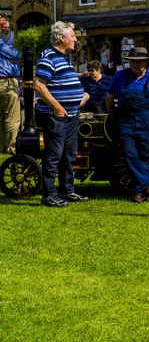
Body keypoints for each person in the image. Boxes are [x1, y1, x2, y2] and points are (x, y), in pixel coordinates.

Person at [106, 47, 149, 203]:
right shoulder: (120, 77)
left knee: (147, 156)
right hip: (126, 121)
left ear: (146, 63)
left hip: (147, 121)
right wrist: (113, 117)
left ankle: (138, 191)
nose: (136, 66)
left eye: (139, 63)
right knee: (130, 154)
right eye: (132, 63)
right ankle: (148, 187)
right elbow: (109, 98)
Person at [33, 21, 88, 207]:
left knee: (69, 155)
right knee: (54, 154)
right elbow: (38, 85)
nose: (75, 39)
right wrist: (57, 107)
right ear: (61, 38)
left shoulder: (63, 58)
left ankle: (67, 190)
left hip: (70, 115)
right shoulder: (48, 56)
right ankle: (48, 194)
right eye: (72, 36)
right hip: (56, 115)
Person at [0, 14, 21, 154]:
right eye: (4, 28)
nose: (7, 30)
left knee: (2, 118)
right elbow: (17, 55)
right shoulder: (2, 44)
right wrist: (14, 53)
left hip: (6, 81)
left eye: (8, 27)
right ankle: (12, 148)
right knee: (12, 117)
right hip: (6, 82)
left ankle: (2, 147)